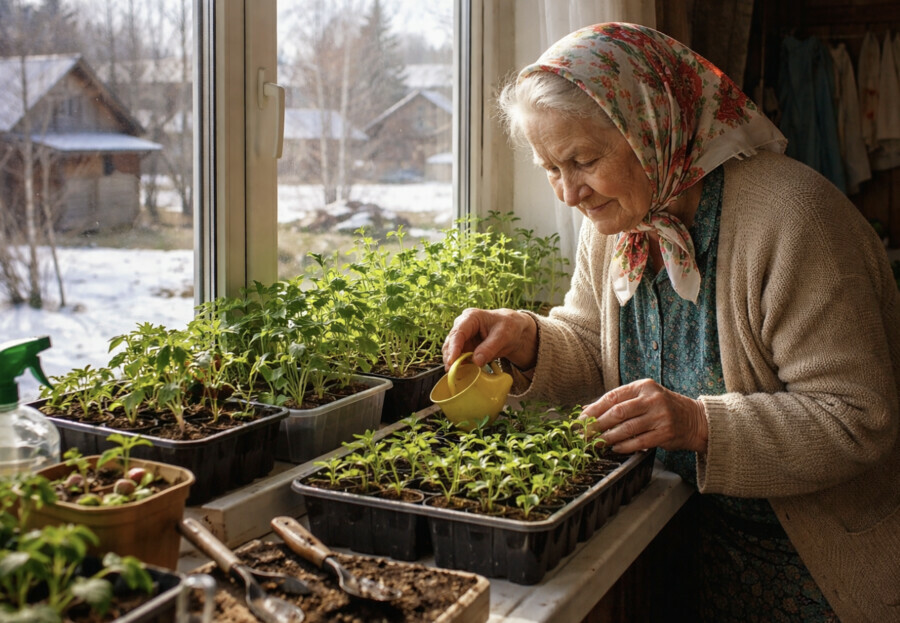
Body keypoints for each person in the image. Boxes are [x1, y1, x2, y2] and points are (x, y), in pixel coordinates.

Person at [442, 22, 900, 623]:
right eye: (549, 168)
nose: (568, 193)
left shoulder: (794, 220)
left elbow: (858, 417)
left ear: (652, 126)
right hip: (680, 538)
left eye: (582, 161)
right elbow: (592, 346)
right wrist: (528, 339)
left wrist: (698, 423)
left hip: (814, 569)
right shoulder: (617, 223)